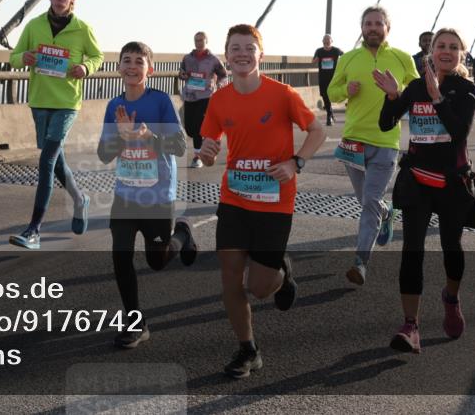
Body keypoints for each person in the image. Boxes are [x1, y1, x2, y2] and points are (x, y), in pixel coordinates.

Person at [199, 24, 326, 379]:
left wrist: (295, 162)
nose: (242, 54)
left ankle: (282, 276)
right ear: (226, 56)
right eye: (235, 48)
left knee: (258, 287)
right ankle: (247, 349)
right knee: (229, 278)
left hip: (274, 202)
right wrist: (206, 152)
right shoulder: (219, 99)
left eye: (249, 48)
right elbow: (208, 150)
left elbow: (317, 131)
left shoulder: (282, 94)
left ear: (260, 55)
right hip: (235, 199)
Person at [375, 28, 475, 354]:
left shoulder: (466, 90)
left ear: (461, 54)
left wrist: (437, 98)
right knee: (412, 250)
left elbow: (459, 132)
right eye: (440, 47)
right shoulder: (416, 87)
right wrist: (393, 97)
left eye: (453, 47)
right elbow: (386, 124)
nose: (446, 51)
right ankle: (411, 325)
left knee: (452, 248)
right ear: (430, 52)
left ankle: (450, 296)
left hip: (452, 183)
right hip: (418, 179)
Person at [98, 42, 198, 349]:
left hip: (157, 196)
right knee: (121, 256)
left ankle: (181, 234)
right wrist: (121, 136)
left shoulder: (161, 102)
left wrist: (147, 137)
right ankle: (135, 321)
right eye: (125, 60)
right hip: (126, 195)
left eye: (138, 61)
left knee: (157, 261)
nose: (131, 66)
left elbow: (180, 147)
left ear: (149, 70)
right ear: (118, 68)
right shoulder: (114, 105)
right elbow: (104, 154)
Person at [8, 0, 104, 249]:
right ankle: (80, 199)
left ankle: (34, 230)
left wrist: (86, 67)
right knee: (57, 161)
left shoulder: (82, 29)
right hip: (39, 100)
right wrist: (22, 59)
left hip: (66, 102)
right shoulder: (34, 25)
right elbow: (15, 56)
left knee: (47, 161)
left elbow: (97, 56)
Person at [327, 6, 418, 285]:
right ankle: (387, 212)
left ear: (387, 28)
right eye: (368, 23)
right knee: (366, 201)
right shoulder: (348, 58)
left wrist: (397, 93)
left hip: (386, 141)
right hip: (353, 141)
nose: (373, 28)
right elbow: (331, 92)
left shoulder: (402, 59)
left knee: (369, 203)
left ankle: (360, 262)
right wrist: (346, 91)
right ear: (362, 28)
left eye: (378, 23)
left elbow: (418, 96)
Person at [179, 32, 227, 167]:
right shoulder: (187, 58)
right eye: (196, 40)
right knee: (189, 129)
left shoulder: (213, 59)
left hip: (206, 96)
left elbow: (223, 75)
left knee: (198, 127)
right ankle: (206, 138)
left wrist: (220, 85)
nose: (198, 43)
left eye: (201, 40)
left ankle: (197, 157)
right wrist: (183, 75)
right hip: (189, 96)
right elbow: (181, 73)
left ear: (206, 41)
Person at [312, 34, 344, 125]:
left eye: (328, 40)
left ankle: (329, 116)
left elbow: (346, 57)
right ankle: (330, 114)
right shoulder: (319, 51)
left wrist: (341, 64)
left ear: (331, 41)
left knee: (330, 95)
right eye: (325, 40)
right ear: (322, 42)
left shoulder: (336, 50)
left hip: (333, 77)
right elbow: (313, 61)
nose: (326, 41)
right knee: (324, 95)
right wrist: (317, 59)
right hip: (323, 77)